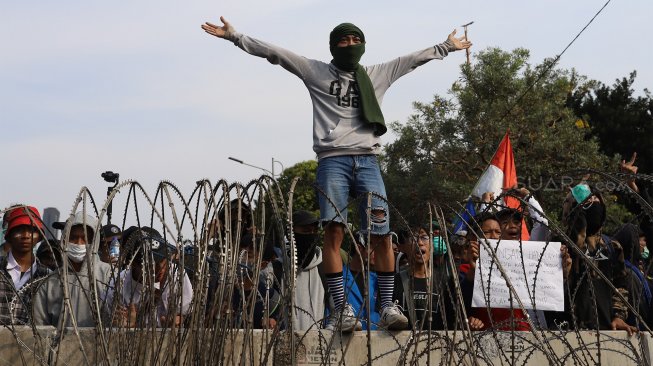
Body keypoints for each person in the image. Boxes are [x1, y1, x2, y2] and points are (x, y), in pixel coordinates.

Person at [201, 16, 471, 332]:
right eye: (343, 41)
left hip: (368, 161)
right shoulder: (316, 71)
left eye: (355, 40)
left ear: (363, 45)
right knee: (334, 234)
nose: (350, 45)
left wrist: (447, 47)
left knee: (382, 236)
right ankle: (342, 309)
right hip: (333, 162)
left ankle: (386, 306)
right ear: (333, 46)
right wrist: (235, 36)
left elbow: (411, 61)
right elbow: (277, 54)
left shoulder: (376, 74)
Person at [563, 186, 636, 334]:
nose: (595, 204)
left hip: (606, 329)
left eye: (597, 199)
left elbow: (620, 286)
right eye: (588, 202)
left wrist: (618, 316)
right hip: (566, 330)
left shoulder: (612, 247)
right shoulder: (560, 245)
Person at [33, 211, 112, 327]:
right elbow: (40, 327)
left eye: (85, 239)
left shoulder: (108, 275)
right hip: (60, 345)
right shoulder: (51, 282)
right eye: (73, 238)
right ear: (64, 240)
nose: (79, 243)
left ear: (94, 242)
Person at [106, 226, 193, 328]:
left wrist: (177, 320)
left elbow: (187, 314)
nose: (161, 268)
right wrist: (130, 328)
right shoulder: (117, 287)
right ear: (133, 264)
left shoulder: (176, 276)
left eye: (163, 260)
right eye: (153, 264)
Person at [0, 206, 51, 325]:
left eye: (32, 230)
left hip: (29, 343)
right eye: (19, 230)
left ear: (39, 236)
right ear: (9, 235)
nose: (26, 236)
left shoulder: (47, 277)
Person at [291, 210, 326, 331]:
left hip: (318, 345)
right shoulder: (278, 268)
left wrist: (326, 334)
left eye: (314, 231)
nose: (311, 235)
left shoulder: (324, 269)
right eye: (305, 231)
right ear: (291, 233)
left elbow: (337, 309)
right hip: (284, 342)